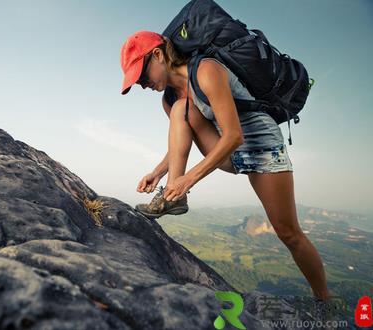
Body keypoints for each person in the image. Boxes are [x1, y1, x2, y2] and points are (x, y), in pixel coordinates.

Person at [119, 30, 330, 301]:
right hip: (224, 150)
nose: (141, 84)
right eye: (136, 81)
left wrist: (189, 179)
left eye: (141, 75)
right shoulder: (169, 99)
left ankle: (324, 299)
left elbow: (234, 136)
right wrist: (158, 173)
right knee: (179, 109)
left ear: (158, 54)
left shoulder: (206, 70)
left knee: (289, 233)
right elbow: (179, 140)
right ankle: (174, 198)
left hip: (260, 148)